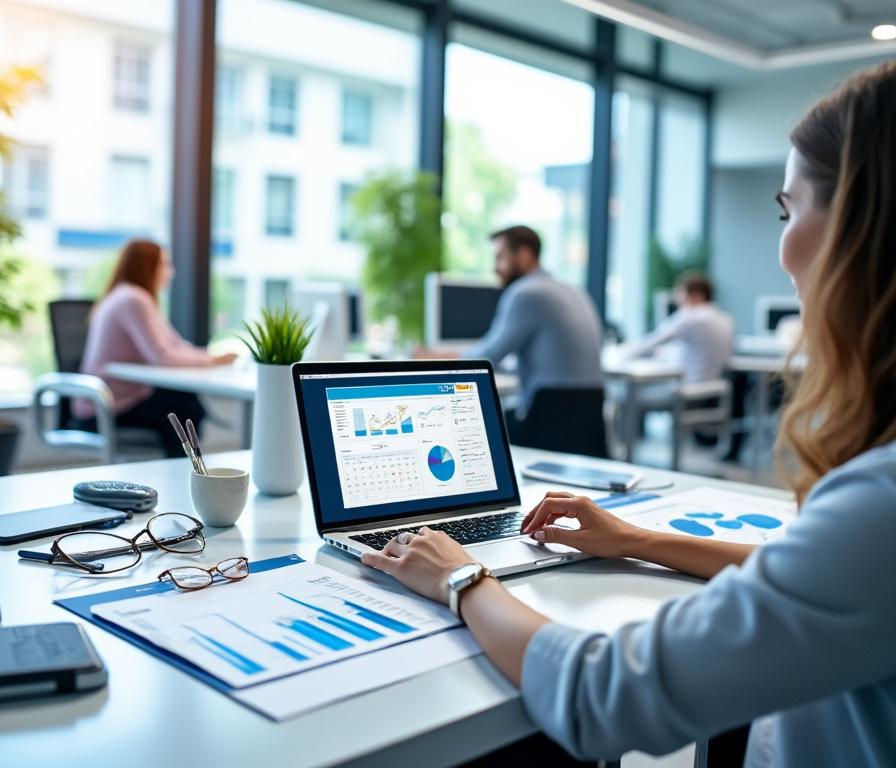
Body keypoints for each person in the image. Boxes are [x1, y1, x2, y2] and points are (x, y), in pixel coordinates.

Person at [361, 61, 896, 766]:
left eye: (787, 210)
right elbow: (817, 577)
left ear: (862, 230)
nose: (782, 246)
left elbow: (603, 695)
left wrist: (460, 579)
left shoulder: (880, 505)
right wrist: (636, 539)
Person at [74, 239, 236, 457]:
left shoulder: (128, 296)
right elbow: (163, 357)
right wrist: (212, 361)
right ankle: (184, 475)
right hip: (104, 408)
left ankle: (186, 473)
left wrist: (210, 356)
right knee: (184, 408)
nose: (171, 272)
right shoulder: (133, 299)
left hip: (110, 401)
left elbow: (175, 346)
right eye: (165, 264)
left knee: (184, 402)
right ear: (148, 267)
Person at [420, 225, 604, 415]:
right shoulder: (574, 290)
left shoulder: (525, 293)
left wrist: (433, 357)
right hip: (587, 419)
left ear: (524, 255)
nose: (495, 267)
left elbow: (486, 356)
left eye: (500, 257)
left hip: (552, 417)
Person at [630, 272, 733, 385]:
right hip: (709, 390)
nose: (678, 300)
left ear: (697, 296)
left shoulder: (690, 316)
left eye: (681, 293)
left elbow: (652, 342)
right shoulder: (725, 319)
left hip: (686, 388)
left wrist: (624, 352)